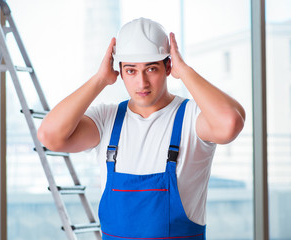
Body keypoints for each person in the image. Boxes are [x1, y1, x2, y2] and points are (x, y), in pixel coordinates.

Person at [38, 17, 245, 240]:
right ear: (119, 71)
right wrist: (99, 79)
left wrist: (184, 71)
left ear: (168, 66)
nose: (142, 83)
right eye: (131, 71)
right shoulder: (107, 119)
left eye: (151, 69)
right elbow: (50, 136)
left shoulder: (192, 118)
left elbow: (229, 123)